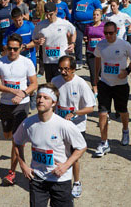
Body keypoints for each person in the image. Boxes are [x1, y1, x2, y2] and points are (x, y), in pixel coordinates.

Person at [13, 83, 87, 207]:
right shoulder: (28, 123)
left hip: (60, 180)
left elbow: (81, 146)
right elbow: (16, 142)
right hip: (37, 179)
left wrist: (66, 165)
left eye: (45, 98)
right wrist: (23, 165)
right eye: (38, 97)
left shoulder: (64, 125)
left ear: (54, 103)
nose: (40, 100)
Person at [0, 33, 38, 186]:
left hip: (21, 105)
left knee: (16, 140)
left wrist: (23, 93)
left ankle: (12, 172)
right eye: (10, 49)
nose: (12, 52)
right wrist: (13, 91)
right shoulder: (0, 62)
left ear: (21, 48)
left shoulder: (27, 63)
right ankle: (15, 159)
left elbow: (34, 84)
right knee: (7, 135)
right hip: (5, 104)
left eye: (16, 49)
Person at [51, 56, 95, 198]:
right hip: (59, 125)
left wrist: (75, 113)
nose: (63, 72)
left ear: (73, 69)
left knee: (74, 157)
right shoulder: (55, 81)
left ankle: (76, 182)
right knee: (58, 154)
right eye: (61, 69)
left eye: (66, 69)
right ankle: (57, 180)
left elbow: (90, 108)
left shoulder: (81, 84)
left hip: (77, 127)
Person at [94, 21, 131, 157]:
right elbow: (97, 59)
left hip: (120, 85)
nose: (108, 36)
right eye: (106, 33)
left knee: (122, 111)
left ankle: (125, 130)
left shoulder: (124, 44)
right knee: (102, 113)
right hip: (105, 84)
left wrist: (127, 70)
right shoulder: (101, 45)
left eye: (111, 33)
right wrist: (96, 76)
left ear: (116, 32)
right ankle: (104, 142)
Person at [33, 2, 76, 82]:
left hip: (61, 60)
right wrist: (38, 41)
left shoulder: (64, 23)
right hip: (47, 60)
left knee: (62, 83)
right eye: (47, 14)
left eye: (51, 14)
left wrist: (72, 44)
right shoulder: (40, 25)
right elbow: (34, 39)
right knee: (50, 84)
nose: (49, 17)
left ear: (56, 11)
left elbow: (73, 31)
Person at [71, 0, 102, 69]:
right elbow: (74, 11)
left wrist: (98, 21)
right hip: (78, 24)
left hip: (90, 24)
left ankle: (91, 61)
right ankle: (78, 61)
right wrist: (72, 22)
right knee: (78, 42)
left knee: (90, 43)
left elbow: (100, 9)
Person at [84, 8, 104, 95]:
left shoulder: (104, 26)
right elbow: (86, 35)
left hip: (101, 53)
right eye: (94, 15)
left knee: (101, 72)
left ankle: (102, 88)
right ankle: (95, 90)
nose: (95, 16)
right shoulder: (88, 26)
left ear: (101, 16)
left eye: (97, 15)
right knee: (93, 72)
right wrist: (85, 38)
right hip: (90, 52)